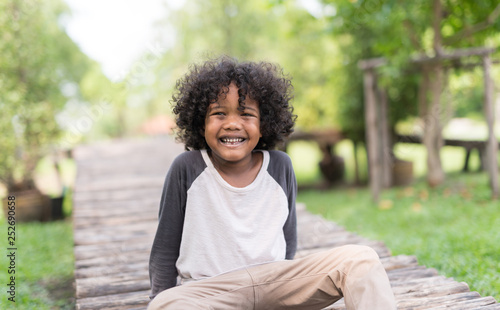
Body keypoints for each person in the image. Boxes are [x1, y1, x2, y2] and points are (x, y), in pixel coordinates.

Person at [148, 56, 396, 309]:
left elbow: (288, 241)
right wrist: (161, 296)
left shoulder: (280, 166)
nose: (232, 123)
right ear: (201, 123)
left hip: (274, 284)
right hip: (212, 292)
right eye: (219, 113)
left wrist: (285, 288)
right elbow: (165, 250)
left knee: (360, 259)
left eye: (246, 114)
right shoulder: (187, 168)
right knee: (165, 304)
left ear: (264, 124)